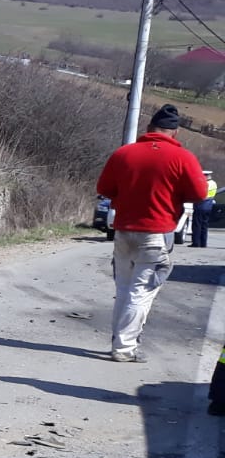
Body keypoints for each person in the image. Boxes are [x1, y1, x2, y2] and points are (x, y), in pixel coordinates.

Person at [94, 104, 208, 362]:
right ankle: (125, 348)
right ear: (175, 132)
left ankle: (120, 340)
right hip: (157, 233)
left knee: (124, 289)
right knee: (141, 292)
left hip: (124, 231)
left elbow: (104, 188)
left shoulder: (123, 154)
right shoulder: (182, 158)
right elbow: (199, 193)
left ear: (148, 128)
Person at [194, 170, 217, 248]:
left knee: (197, 225)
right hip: (208, 206)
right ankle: (203, 243)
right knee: (204, 225)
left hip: (200, 206)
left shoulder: (204, 184)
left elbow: (200, 194)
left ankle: (196, 242)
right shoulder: (214, 183)